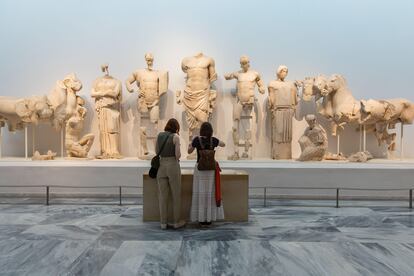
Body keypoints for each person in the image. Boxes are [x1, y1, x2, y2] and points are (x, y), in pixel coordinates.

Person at [188, 122, 225, 226]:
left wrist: (191, 144)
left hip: (200, 169)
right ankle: (208, 218)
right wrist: (216, 141)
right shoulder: (213, 140)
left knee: (200, 192)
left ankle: (201, 218)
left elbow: (189, 151)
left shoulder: (197, 140)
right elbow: (223, 144)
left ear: (201, 130)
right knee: (209, 193)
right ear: (211, 131)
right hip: (210, 170)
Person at [155, 118, 185, 230]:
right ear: (176, 128)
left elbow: (157, 151)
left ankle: (163, 223)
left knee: (162, 196)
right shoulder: (176, 137)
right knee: (176, 195)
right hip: (172, 165)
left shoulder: (159, 136)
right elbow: (178, 155)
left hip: (161, 166)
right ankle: (176, 222)